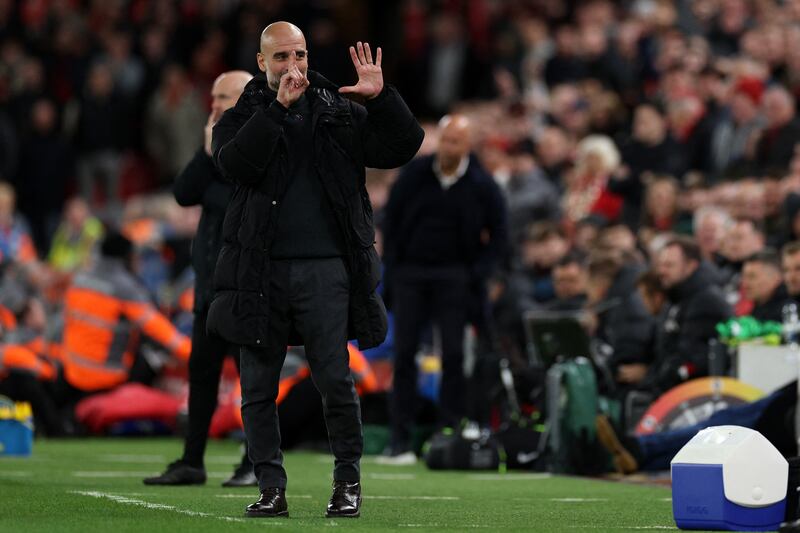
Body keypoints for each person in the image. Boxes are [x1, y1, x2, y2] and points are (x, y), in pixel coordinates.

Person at [207, 22, 423, 519]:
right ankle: (269, 486)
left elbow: (403, 147)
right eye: (281, 57)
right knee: (258, 387)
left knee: (334, 380)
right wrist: (278, 111)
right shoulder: (241, 116)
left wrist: (382, 97)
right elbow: (235, 165)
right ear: (261, 64)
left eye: (299, 54)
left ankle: (348, 481)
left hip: (327, 271)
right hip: (258, 273)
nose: (293, 66)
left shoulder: (338, 110)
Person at [145, 70, 254, 488]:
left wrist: (217, 166)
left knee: (253, 384)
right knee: (202, 377)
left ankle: (254, 462)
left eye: (223, 97)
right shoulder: (215, 140)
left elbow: (240, 204)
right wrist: (208, 154)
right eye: (213, 96)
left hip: (246, 287)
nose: (214, 104)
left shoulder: (258, 142)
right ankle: (193, 460)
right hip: (209, 286)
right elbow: (184, 193)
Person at [381, 114, 507, 463]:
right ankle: (400, 438)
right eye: (445, 140)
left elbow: (499, 234)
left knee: (453, 355)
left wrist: (477, 274)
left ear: (468, 146)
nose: (448, 147)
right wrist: (395, 269)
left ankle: (448, 432)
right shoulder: (415, 175)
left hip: (456, 277)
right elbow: (391, 222)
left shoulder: (483, 184)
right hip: (412, 274)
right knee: (404, 354)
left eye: (456, 142)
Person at [741, 248, 793, 322]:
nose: (744, 283)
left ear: (776, 278)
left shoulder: (790, 310)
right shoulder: (758, 308)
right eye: (744, 277)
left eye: (752, 276)